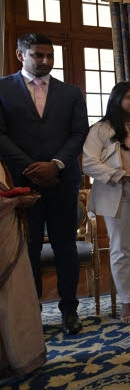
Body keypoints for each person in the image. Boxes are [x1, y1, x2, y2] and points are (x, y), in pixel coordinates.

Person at [0, 33, 88, 334]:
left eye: (49, 55)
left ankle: (69, 312)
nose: (45, 61)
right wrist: (31, 168)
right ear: (20, 54)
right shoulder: (2, 89)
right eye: (38, 55)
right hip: (21, 185)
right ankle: (31, 312)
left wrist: (56, 164)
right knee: (28, 250)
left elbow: (79, 133)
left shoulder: (71, 93)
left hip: (62, 180)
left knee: (66, 249)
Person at [82, 82, 130, 324]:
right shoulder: (101, 129)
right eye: (129, 97)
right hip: (116, 195)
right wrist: (124, 174)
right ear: (117, 99)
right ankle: (127, 301)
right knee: (120, 249)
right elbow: (89, 163)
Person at [0, 158, 46, 378]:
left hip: (7, 226)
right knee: (11, 293)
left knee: (17, 292)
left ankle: (15, 356)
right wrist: (15, 202)